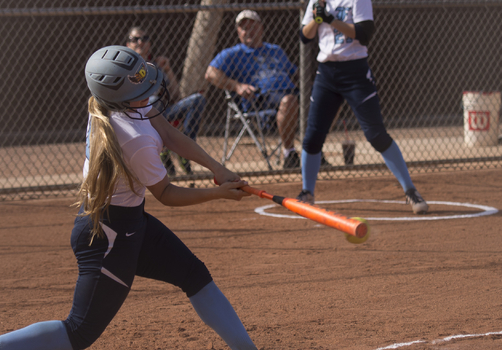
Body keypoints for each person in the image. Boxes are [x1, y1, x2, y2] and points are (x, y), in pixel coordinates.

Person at [0, 45, 309, 350]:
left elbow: (170, 133)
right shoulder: (131, 137)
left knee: (194, 275)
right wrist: (218, 194)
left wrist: (216, 166)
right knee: (79, 332)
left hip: (131, 224)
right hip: (107, 236)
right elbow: (167, 194)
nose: (149, 96)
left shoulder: (118, 104)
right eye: (140, 91)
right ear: (119, 95)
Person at [298, 0, 428, 214]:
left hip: (355, 72)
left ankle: (411, 191)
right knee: (313, 136)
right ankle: (307, 192)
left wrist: (331, 19)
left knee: (376, 134)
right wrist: (317, 18)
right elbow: (305, 36)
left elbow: (364, 34)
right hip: (326, 74)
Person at [206, 10, 328, 170]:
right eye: (243, 28)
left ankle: (314, 150)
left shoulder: (275, 50)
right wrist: (237, 86)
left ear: (261, 28)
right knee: (289, 100)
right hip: (261, 99)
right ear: (238, 32)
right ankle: (289, 154)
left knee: (328, 97)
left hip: (292, 93)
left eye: (252, 26)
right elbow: (210, 73)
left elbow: (295, 73)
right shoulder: (233, 54)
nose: (248, 30)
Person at [126, 26, 207, 177]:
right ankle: (164, 148)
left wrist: (168, 69)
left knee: (198, 100)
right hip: (139, 117)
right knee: (154, 100)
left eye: (144, 39)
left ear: (149, 44)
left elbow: (176, 96)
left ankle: (185, 147)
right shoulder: (125, 68)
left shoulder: (155, 67)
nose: (140, 42)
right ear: (127, 45)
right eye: (135, 39)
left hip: (162, 112)